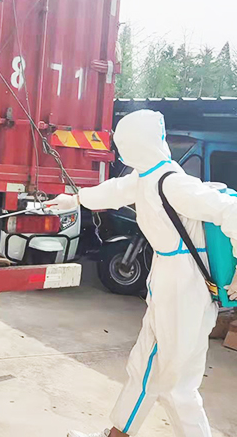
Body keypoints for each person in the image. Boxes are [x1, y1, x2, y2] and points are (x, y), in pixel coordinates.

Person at [47, 109, 237, 437]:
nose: (122, 153)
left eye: (125, 145)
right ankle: (118, 433)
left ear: (139, 144)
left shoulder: (173, 183)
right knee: (144, 366)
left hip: (185, 287)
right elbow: (114, 191)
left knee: (176, 384)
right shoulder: (145, 178)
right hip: (168, 280)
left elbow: (230, 209)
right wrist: (73, 200)